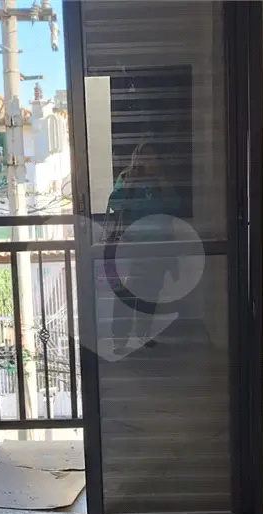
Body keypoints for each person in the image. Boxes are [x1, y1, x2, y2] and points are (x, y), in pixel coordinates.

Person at [103, 142, 182, 355]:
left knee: (151, 292)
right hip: (132, 244)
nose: (148, 161)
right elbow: (115, 204)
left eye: (152, 157)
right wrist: (129, 185)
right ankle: (120, 338)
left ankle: (144, 334)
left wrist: (162, 180)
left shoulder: (162, 179)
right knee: (126, 292)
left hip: (158, 245)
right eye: (143, 157)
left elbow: (176, 205)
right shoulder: (127, 178)